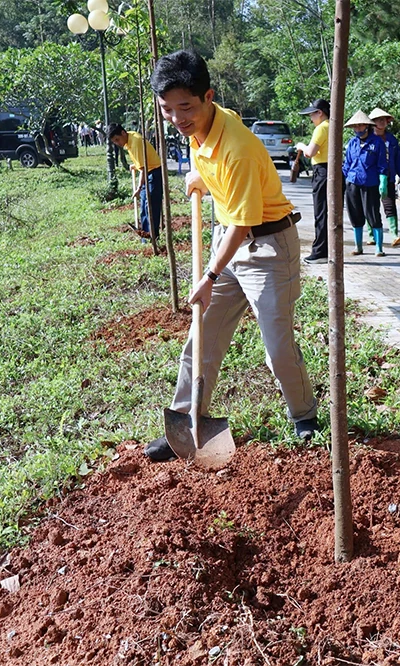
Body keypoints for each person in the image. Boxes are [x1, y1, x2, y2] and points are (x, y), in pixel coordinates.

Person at [143, 50, 318, 461]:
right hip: (228, 239)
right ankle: (188, 420)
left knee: (277, 347)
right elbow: (216, 169)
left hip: (268, 248)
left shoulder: (238, 146)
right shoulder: (204, 125)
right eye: (166, 109)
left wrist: (209, 276)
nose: (177, 118)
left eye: (185, 108)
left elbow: (243, 223)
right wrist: (199, 175)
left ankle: (305, 416)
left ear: (208, 97)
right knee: (200, 340)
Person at [342, 110, 388, 257]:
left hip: (370, 182)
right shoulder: (352, 143)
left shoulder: (377, 143)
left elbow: (382, 164)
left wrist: (383, 181)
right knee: (355, 214)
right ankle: (358, 246)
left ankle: (379, 247)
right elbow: (347, 164)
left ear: (366, 126)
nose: (358, 129)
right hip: (352, 182)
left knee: (373, 214)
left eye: (360, 126)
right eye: (355, 127)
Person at [107, 123, 163, 242]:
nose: (117, 143)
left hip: (153, 173)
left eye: (117, 139)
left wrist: (138, 188)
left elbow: (144, 168)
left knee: (151, 207)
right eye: (114, 142)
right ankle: (145, 237)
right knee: (144, 206)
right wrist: (135, 165)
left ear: (123, 133)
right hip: (148, 172)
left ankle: (153, 238)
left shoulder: (136, 141)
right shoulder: (129, 139)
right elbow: (142, 161)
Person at [295, 98, 331, 264]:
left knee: (321, 212)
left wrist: (301, 145)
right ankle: (326, 249)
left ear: (320, 113)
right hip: (331, 170)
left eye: (312, 114)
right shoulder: (331, 126)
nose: (310, 118)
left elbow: (310, 152)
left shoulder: (321, 128)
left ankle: (320, 252)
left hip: (322, 171)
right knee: (328, 212)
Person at [369, 107, 400, 247]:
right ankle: (371, 235)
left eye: (384, 119)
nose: (382, 122)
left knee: (390, 205)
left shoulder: (391, 139)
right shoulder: (368, 140)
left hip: (389, 177)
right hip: (371, 178)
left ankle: (394, 235)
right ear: (372, 122)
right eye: (378, 120)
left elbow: (398, 159)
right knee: (371, 207)